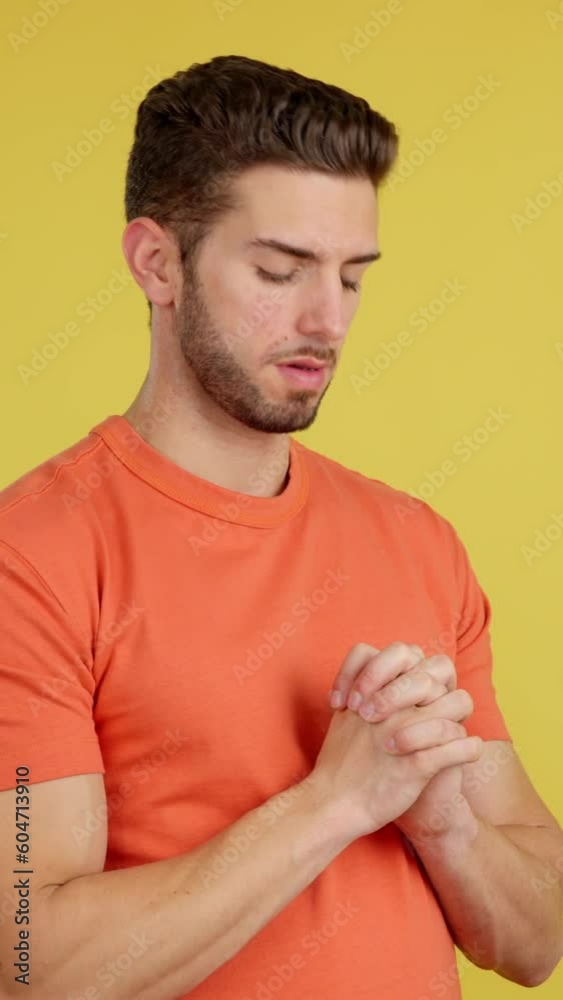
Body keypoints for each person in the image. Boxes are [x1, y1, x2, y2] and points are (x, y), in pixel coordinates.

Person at [0, 54, 561, 1000]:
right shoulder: (35, 551)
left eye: (352, 277)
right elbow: (27, 962)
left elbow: (537, 940)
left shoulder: (416, 539)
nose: (326, 319)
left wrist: (444, 826)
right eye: (280, 269)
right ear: (156, 262)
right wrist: (337, 801)